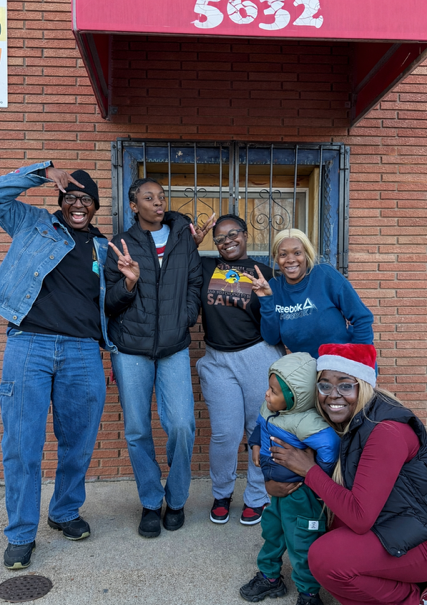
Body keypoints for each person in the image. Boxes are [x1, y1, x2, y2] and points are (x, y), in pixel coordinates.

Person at [0, 162, 116, 570]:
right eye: (70, 198)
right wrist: (40, 172)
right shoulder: (33, 224)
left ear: (95, 206)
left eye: (86, 199)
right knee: (22, 444)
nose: (78, 205)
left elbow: (114, 304)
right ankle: (20, 533)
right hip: (29, 344)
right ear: (61, 202)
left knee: (79, 441)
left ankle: (64, 511)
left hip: (83, 351)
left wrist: (130, 284)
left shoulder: (105, 248)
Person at [270, 343, 427, 605]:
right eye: (325, 385)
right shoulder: (354, 417)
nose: (333, 395)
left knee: (326, 558)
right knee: (329, 522)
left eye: (345, 385)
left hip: (421, 538)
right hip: (403, 522)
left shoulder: (385, 431)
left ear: (363, 385)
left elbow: (360, 517)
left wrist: (309, 471)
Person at [104, 178, 202, 539]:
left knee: (181, 424)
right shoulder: (119, 245)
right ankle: (150, 501)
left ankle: (175, 500)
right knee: (137, 430)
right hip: (131, 349)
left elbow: (194, 285)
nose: (158, 203)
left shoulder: (182, 240)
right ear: (134, 206)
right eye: (149, 198)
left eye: (161, 197)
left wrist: (185, 317)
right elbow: (109, 303)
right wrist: (128, 284)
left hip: (174, 346)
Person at [194, 214, 284, 525]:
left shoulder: (268, 273)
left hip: (257, 355)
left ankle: (257, 496)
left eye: (234, 234)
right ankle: (222, 493)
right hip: (217, 360)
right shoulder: (205, 267)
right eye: (219, 237)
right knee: (224, 434)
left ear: (246, 235)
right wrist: (193, 241)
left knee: (258, 431)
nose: (227, 240)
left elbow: (277, 323)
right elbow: (176, 261)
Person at [240, 352, 340, 605]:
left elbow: (330, 446)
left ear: (296, 396)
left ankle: (310, 596)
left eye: (273, 391)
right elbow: (260, 426)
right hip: (276, 493)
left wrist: (315, 476)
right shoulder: (272, 409)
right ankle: (271, 576)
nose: (266, 394)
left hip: (301, 495)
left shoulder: (305, 423)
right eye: (269, 388)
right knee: (272, 531)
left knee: (301, 543)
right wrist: (255, 444)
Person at [245, 228, 374, 358]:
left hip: (342, 358)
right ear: (276, 258)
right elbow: (272, 338)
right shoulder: (274, 286)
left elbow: (362, 317)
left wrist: (360, 359)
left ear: (306, 254)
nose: (290, 259)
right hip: (307, 365)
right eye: (283, 254)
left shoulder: (325, 275)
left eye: (297, 253)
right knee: (275, 378)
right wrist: (266, 299)